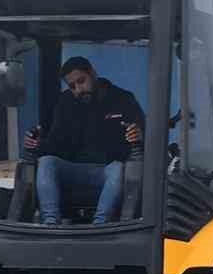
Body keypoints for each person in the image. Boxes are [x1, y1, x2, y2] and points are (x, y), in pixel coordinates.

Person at [25, 57, 144, 226]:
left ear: (93, 73)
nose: (78, 89)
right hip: (75, 169)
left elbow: (143, 134)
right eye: (72, 86)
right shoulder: (66, 103)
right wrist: (37, 144)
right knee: (46, 163)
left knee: (117, 168)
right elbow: (56, 144)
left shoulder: (123, 99)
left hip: (107, 169)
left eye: (81, 81)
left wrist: (138, 135)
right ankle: (50, 223)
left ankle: (100, 224)